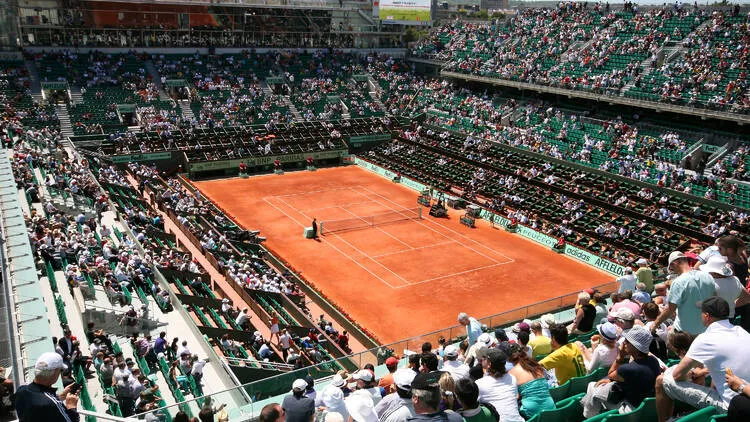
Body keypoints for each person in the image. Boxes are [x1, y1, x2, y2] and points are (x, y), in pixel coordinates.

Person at [656, 297, 750, 421]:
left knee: (662, 380)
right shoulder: (743, 331)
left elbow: (677, 376)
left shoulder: (705, 338)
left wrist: (692, 375)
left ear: (706, 316)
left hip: (732, 405)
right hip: (744, 396)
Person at [581, 326, 661, 418]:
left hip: (630, 410)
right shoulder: (653, 361)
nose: (623, 343)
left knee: (592, 386)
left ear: (635, 346)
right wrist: (611, 381)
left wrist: (620, 357)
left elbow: (610, 374)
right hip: (646, 407)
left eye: (627, 341)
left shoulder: (627, 369)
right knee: (596, 387)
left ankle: (589, 417)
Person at [651, 251, 717, 336]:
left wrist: (655, 324)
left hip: (685, 332)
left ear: (674, 263)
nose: (672, 270)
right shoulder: (707, 276)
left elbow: (670, 309)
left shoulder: (678, 282)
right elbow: (715, 299)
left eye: (671, 267)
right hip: (706, 329)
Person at [14, 352, 80, 422]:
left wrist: (60, 397)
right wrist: (71, 407)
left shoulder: (21, 390)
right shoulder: (51, 404)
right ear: (55, 373)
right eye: (60, 370)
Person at [505, 342, 555, 419]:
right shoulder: (536, 365)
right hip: (550, 406)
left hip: (530, 412)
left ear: (508, 359)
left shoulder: (511, 373)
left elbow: (515, 397)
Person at [475, 348, 524, 422]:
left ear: (489, 364)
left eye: (484, 357)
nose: (482, 359)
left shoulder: (479, 384)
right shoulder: (512, 378)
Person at [701, 255, 750, 320]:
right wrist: (731, 306)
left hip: (712, 319)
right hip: (729, 317)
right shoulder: (735, 280)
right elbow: (747, 298)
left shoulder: (710, 283)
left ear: (715, 272)